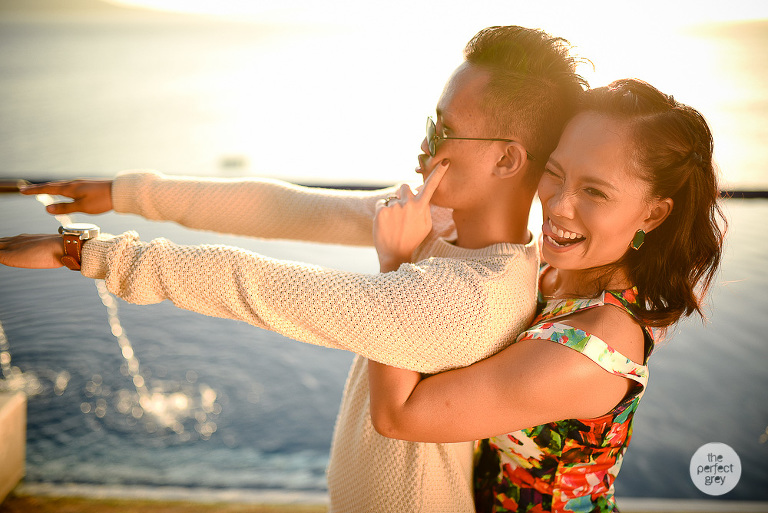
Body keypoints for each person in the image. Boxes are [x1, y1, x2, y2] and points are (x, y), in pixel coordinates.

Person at [0, 25, 587, 512]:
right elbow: (284, 207)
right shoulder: (445, 221)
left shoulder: (473, 296)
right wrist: (124, 192)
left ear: (508, 158)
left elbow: (262, 289)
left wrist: (79, 251)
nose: (424, 144)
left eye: (443, 129)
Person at [367, 78, 727, 512]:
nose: (558, 205)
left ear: (652, 214)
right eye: (554, 172)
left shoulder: (591, 350)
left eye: (594, 191)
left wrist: (396, 265)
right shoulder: (548, 270)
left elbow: (397, 416)